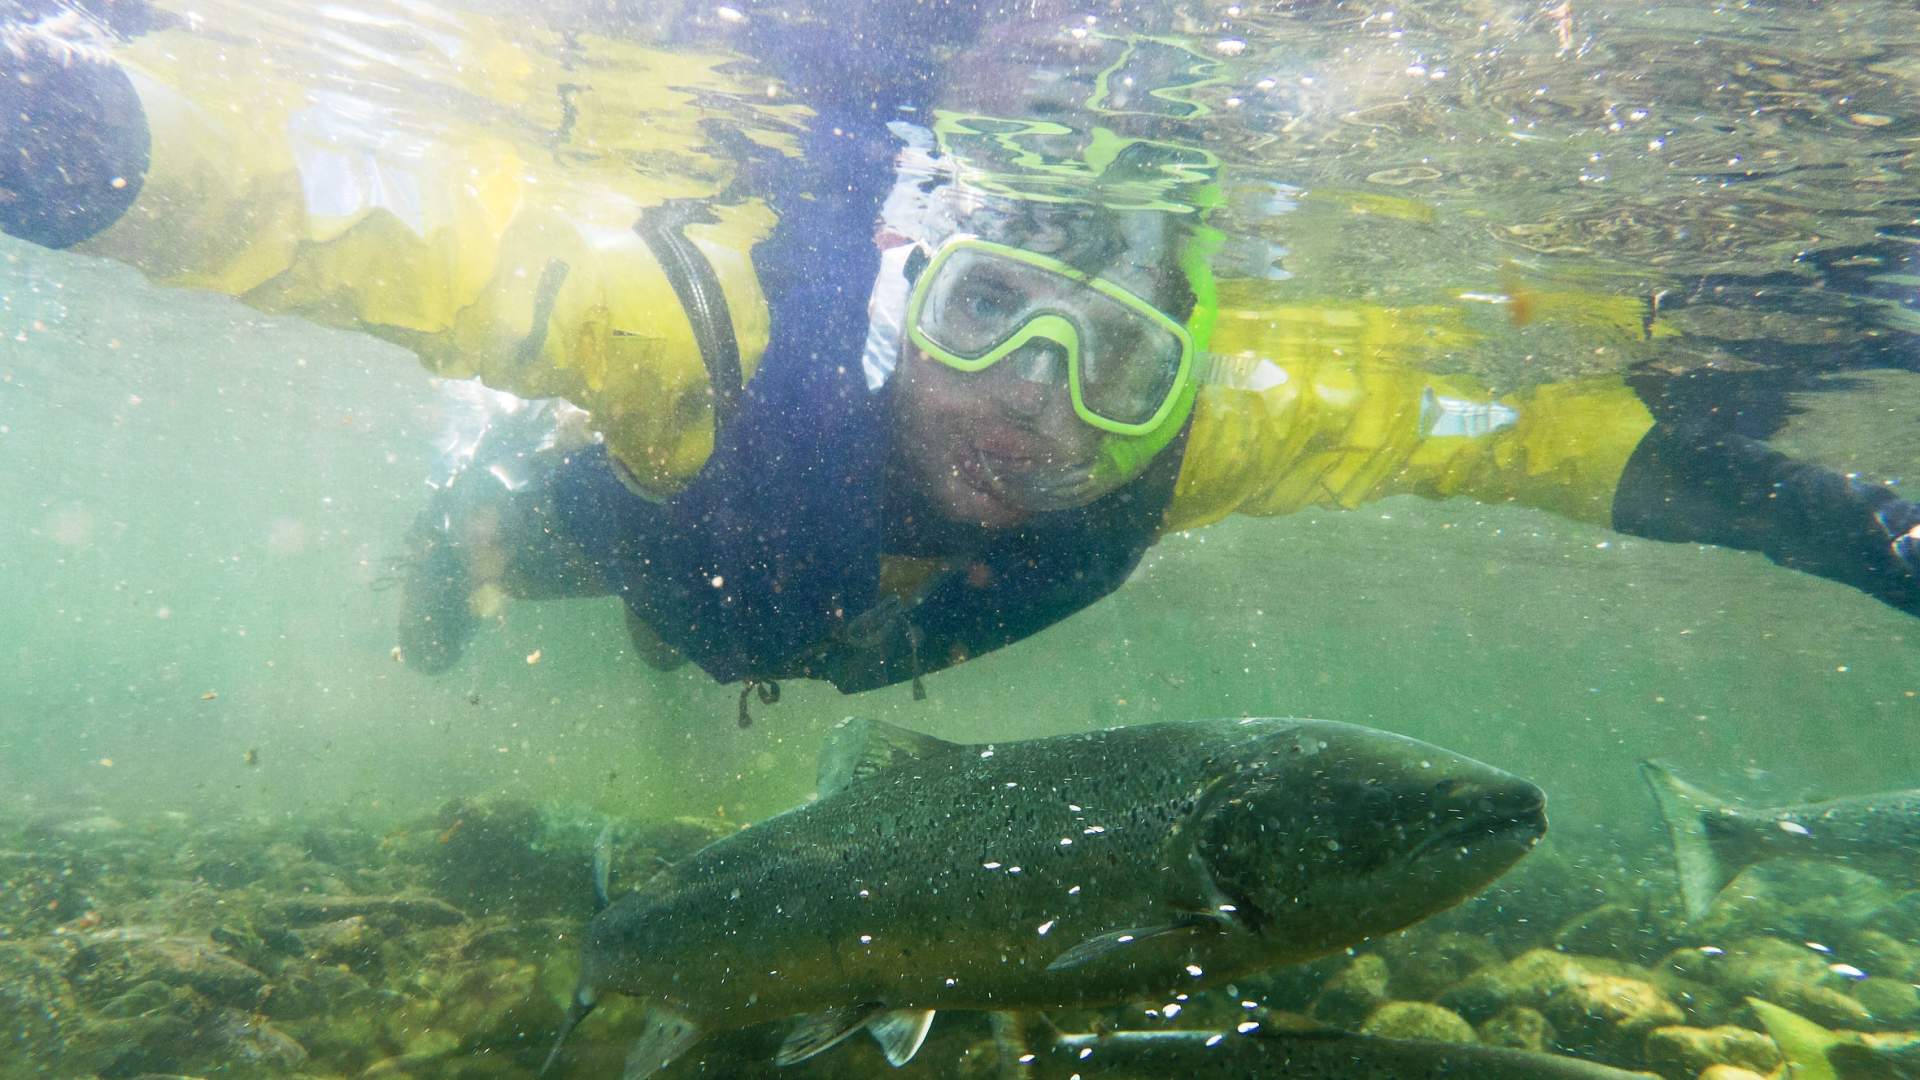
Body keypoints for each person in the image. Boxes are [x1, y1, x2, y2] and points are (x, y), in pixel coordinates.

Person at [8, 0, 1919, 721]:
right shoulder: (710, 326)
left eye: (1120, 362)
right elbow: (366, 214)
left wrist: (1870, 532)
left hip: (835, 612)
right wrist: (74, 122)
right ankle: (459, 530)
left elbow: (1543, 443)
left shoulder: (1227, 424)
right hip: (673, 503)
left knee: (761, 637)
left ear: (1198, 376)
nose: (1040, 404)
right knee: (549, 548)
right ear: (905, 280)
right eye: (995, 314)